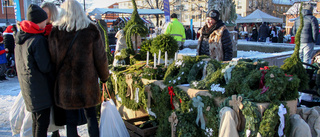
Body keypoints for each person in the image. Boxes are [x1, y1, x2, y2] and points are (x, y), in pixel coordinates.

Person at [48, 0, 109, 137]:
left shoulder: (56, 32)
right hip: (87, 83)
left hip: (66, 85)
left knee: (71, 120)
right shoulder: (91, 29)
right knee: (91, 117)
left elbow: (53, 60)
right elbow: (101, 57)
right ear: (80, 11)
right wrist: (104, 76)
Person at [14, 4, 52, 137]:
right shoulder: (38, 40)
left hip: (28, 88)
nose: (46, 22)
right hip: (40, 89)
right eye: (44, 19)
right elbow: (45, 66)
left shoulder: (21, 38)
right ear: (39, 21)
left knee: (36, 121)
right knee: (42, 123)